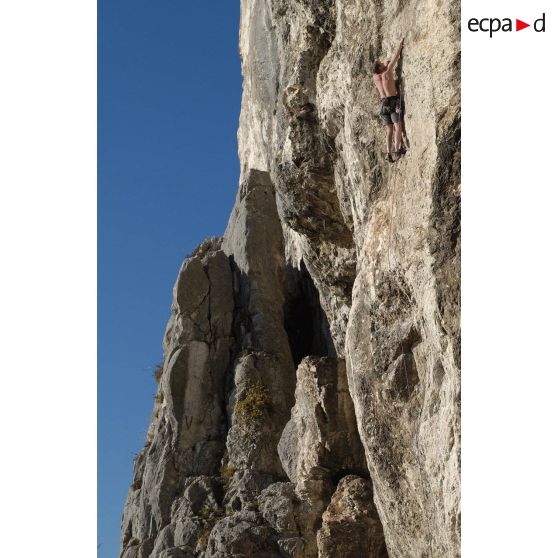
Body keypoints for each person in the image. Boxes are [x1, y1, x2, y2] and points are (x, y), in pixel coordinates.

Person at [373, 39, 405, 162]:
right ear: (381, 68)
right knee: (397, 126)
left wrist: (385, 65)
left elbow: (381, 71)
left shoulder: (375, 77)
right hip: (392, 102)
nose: (383, 64)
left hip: (383, 105)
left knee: (389, 130)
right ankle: (397, 150)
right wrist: (400, 43)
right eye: (381, 64)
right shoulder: (387, 72)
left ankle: (388, 153)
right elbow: (396, 56)